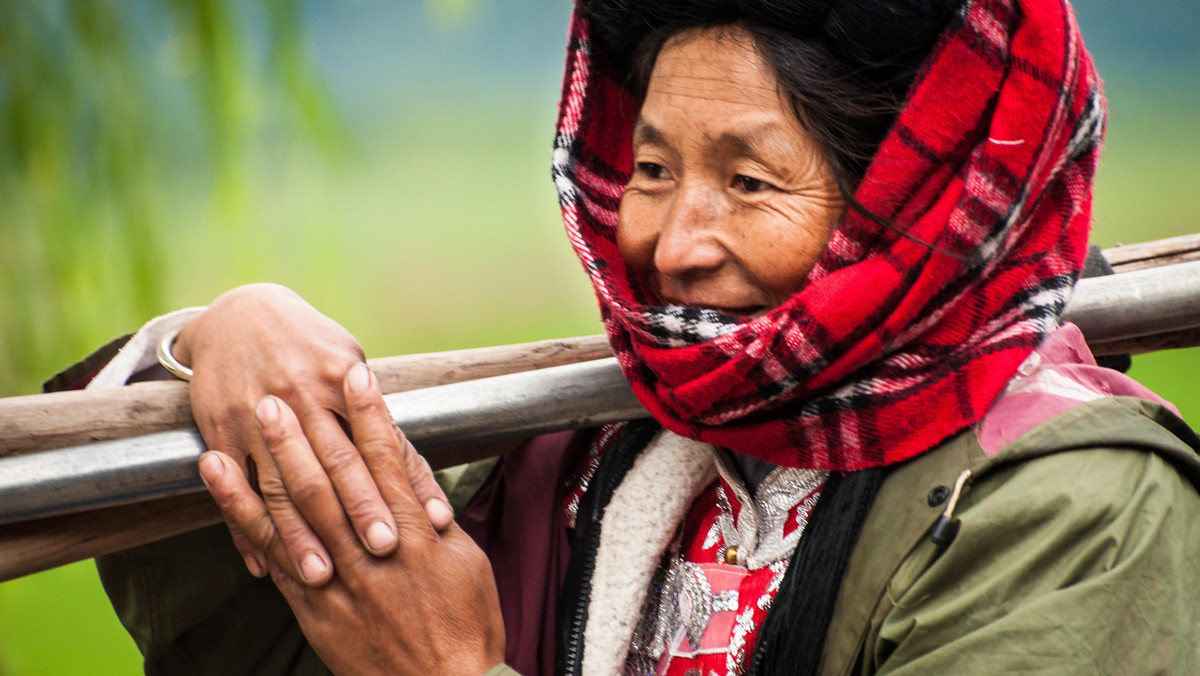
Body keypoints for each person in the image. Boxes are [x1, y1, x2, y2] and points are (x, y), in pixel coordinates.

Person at [66, 0, 1200, 673]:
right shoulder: (591, 454)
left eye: (749, 180)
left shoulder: (1078, 513)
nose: (670, 241)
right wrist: (224, 340)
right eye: (652, 169)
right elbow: (245, 627)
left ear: (909, 208)